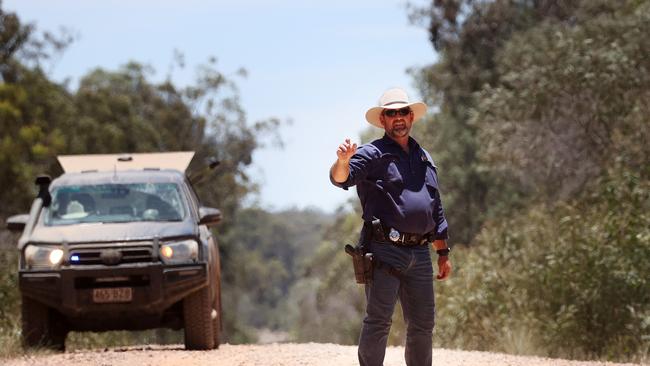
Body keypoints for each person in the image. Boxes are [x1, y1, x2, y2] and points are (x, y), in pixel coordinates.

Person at [330, 87, 451, 366]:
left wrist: (443, 254)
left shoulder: (424, 157)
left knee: (423, 325)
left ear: (411, 117)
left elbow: (436, 208)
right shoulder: (372, 154)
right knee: (378, 322)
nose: (398, 118)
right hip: (384, 250)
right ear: (382, 120)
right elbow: (341, 179)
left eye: (403, 112)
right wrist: (342, 161)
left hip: (420, 255)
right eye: (391, 113)